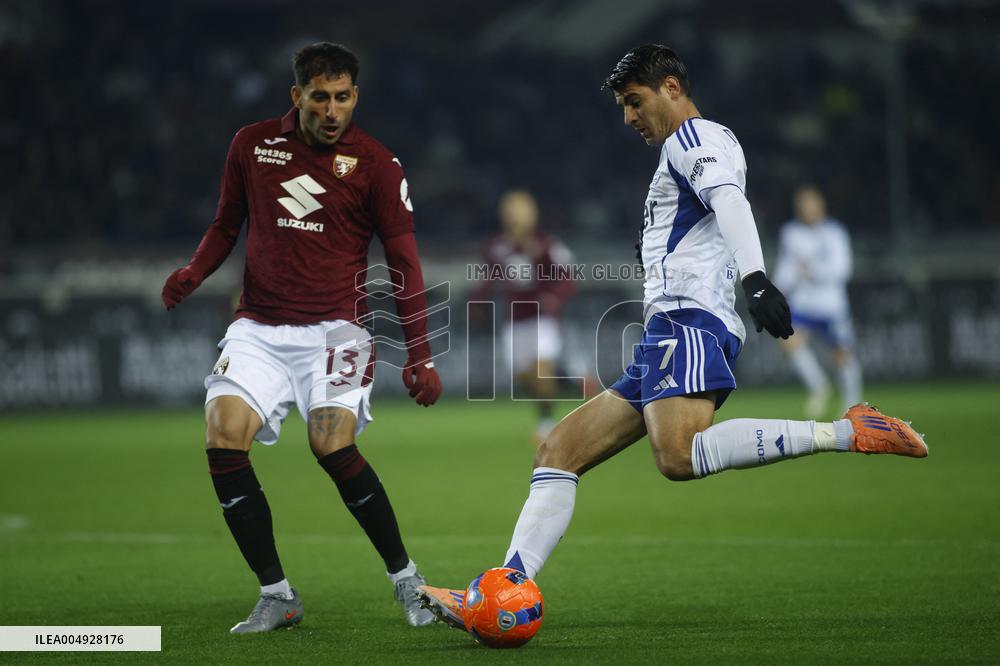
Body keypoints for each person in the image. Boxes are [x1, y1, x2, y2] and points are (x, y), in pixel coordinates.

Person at [418, 44, 926, 626]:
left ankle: (847, 431)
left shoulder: (694, 139)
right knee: (557, 453)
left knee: (678, 456)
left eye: (635, 102)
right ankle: (503, 587)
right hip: (669, 327)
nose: (629, 118)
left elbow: (729, 202)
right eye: (623, 107)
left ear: (673, 87)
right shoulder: (688, 150)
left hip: (689, 321)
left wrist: (757, 279)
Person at [162, 42, 442, 634]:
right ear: (298, 96)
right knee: (221, 436)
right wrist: (194, 271)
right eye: (321, 97)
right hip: (259, 327)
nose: (333, 110)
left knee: (330, 445)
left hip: (337, 330)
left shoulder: (377, 164)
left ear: (356, 96)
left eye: (343, 97)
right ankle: (277, 595)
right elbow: (226, 224)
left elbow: (404, 263)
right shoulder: (253, 144)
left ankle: (408, 582)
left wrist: (419, 353)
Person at [468, 189, 576, 443]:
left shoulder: (546, 244)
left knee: (540, 371)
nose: (515, 219)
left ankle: (546, 424)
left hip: (542, 320)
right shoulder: (497, 246)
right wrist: (476, 303)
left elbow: (568, 277)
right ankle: (566, 378)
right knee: (523, 376)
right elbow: (486, 279)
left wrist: (555, 297)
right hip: (514, 323)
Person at [773, 186, 862, 417]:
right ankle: (819, 386)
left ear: (821, 206)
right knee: (788, 341)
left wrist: (812, 270)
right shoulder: (791, 233)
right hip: (803, 303)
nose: (807, 209)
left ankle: (853, 404)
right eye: (802, 205)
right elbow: (786, 267)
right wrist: (775, 289)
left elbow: (843, 269)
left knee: (842, 354)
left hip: (831, 305)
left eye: (810, 204)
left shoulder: (834, 233)